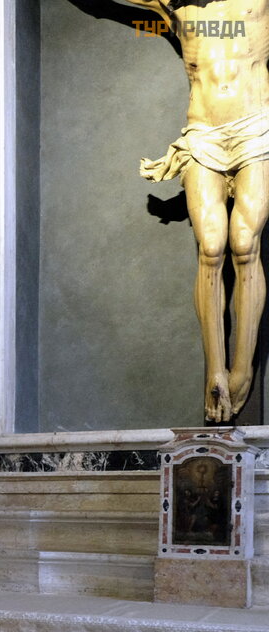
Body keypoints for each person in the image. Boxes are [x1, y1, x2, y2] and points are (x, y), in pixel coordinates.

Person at [125, 0, 269, 421]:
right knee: (211, 247)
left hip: (256, 129)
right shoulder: (174, 5)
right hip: (203, 134)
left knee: (245, 244)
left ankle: (242, 368)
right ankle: (215, 371)